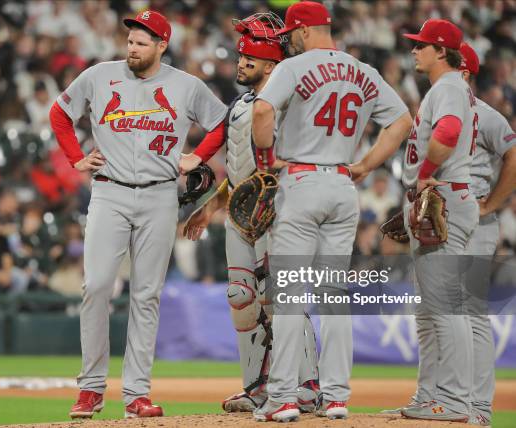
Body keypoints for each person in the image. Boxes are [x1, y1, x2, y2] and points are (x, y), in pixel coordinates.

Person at [49, 10, 227, 420]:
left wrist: (198, 156)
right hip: (109, 192)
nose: (132, 47)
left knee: (146, 295)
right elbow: (60, 114)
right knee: (95, 287)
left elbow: (221, 122)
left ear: (162, 46)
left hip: (160, 197)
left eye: (142, 42)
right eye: (130, 40)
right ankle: (91, 389)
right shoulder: (99, 75)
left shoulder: (186, 86)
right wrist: (75, 157)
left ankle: (136, 395)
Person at [250, 2, 412, 422]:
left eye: (290, 34)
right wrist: (365, 165)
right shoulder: (364, 71)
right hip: (343, 183)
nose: (288, 40)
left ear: (303, 32)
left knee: (290, 295)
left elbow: (263, 110)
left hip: (302, 182)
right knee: (333, 296)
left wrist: (266, 160)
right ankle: (337, 396)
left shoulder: (295, 66)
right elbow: (401, 122)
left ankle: (284, 398)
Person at [180, 12, 320, 414]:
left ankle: (307, 385)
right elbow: (237, 167)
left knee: (279, 299)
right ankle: (257, 385)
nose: (240, 64)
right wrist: (210, 207)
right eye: (241, 57)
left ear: (272, 65)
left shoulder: (289, 103)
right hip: (242, 216)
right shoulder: (240, 105)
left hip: (281, 212)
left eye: (250, 59)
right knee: (242, 298)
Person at [384, 42, 515, 426]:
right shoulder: (449, 102)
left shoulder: (482, 112)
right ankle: (431, 396)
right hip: (443, 210)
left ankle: (475, 406)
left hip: (469, 216)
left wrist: (491, 203)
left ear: (464, 72)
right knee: (429, 311)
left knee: (468, 312)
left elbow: (512, 155)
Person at [395, 20, 478, 422]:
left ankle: (457, 401)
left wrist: (425, 171)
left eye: (422, 45)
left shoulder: (446, 87)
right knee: (430, 312)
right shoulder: (449, 88)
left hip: (443, 195)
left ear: (441, 51)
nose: (414, 51)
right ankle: (430, 397)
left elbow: (449, 130)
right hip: (438, 195)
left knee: (445, 307)